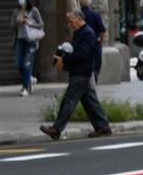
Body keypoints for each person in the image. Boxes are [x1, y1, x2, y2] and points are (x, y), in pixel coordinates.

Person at [40, 10, 113, 140]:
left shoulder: (88, 34)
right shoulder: (80, 33)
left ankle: (56, 129)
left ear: (79, 19)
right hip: (80, 72)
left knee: (69, 101)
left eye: (71, 21)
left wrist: (65, 58)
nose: (69, 24)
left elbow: (81, 54)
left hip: (81, 73)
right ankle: (103, 127)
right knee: (90, 102)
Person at [12, 0, 44, 96]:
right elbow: (12, 25)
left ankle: (25, 88)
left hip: (31, 41)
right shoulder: (16, 11)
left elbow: (41, 24)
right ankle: (30, 78)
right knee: (18, 64)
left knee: (26, 64)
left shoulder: (34, 11)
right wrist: (18, 22)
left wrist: (30, 23)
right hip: (20, 39)